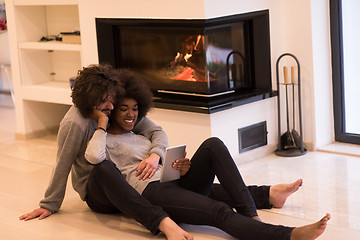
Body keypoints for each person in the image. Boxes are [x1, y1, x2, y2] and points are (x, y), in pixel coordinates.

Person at [85, 69, 330, 240]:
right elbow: (95, 159)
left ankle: (251, 215)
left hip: (170, 182)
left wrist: (179, 167)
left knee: (213, 144)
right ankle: (287, 235)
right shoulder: (103, 139)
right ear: (112, 110)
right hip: (152, 192)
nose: (131, 115)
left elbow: (158, 136)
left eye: (136, 109)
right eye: (124, 109)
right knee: (218, 211)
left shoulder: (139, 134)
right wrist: (102, 123)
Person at [19, 64, 193, 240]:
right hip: (97, 189)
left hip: (124, 182)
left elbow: (156, 131)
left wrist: (156, 155)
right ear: (89, 101)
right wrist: (49, 204)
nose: (111, 105)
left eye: (111, 99)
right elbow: (62, 164)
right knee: (104, 168)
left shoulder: (110, 107)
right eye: (104, 100)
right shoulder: (74, 123)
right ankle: (161, 223)